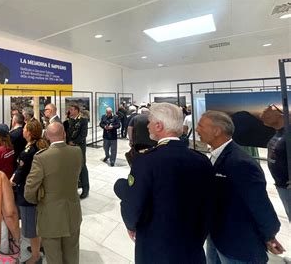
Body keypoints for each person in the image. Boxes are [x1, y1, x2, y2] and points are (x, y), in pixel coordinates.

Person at [114, 103, 214, 264]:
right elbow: (209, 205)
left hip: (156, 247)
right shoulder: (201, 160)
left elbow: (134, 204)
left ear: (159, 126)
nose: (147, 125)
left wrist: (131, 225)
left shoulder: (146, 161)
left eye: (150, 122)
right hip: (192, 246)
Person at [196, 110, 284, 263]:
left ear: (217, 131)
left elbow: (259, 204)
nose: (197, 130)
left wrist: (269, 235)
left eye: (201, 125)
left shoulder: (240, 163)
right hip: (219, 236)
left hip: (238, 242)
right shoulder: (219, 155)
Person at [24, 122, 83, 264]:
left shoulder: (41, 157)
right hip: (73, 212)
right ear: (64, 134)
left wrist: (38, 200)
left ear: (47, 136)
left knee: (54, 257)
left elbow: (29, 191)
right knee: (72, 254)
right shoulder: (77, 151)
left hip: (50, 216)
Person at [10, 120, 48, 264]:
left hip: (27, 194)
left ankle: (36, 256)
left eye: (25, 129)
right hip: (40, 191)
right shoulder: (42, 145)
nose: (23, 131)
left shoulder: (27, 153)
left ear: (30, 133)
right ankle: (42, 246)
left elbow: (18, 176)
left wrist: (9, 183)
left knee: (31, 227)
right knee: (39, 222)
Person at [261, 104, 290, 221]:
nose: (263, 113)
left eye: (268, 109)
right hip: (282, 186)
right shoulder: (280, 133)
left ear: (281, 114)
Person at [66, 104, 89, 199]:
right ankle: (77, 183)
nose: (70, 111)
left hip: (79, 147)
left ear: (76, 110)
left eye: (71, 109)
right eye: (69, 110)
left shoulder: (83, 120)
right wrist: (68, 142)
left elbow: (83, 135)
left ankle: (85, 188)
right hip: (70, 147)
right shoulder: (69, 121)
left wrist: (74, 142)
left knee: (82, 166)